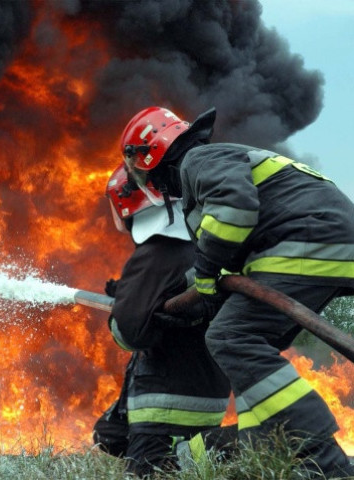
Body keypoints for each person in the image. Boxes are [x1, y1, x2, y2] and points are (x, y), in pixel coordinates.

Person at [118, 105, 354, 478]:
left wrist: (208, 275)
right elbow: (233, 251)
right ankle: (276, 450)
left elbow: (235, 211)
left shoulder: (199, 160)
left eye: (138, 169)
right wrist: (197, 298)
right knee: (250, 350)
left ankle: (323, 459)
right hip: (318, 243)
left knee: (231, 337)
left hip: (307, 241)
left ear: (150, 155)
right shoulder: (212, 166)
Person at [93, 163, 235, 477]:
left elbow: (130, 334)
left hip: (167, 401)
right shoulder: (200, 246)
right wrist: (131, 296)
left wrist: (122, 311)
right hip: (206, 392)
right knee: (109, 435)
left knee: (151, 472)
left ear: (126, 204)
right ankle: (191, 454)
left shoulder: (156, 251)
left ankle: (209, 452)